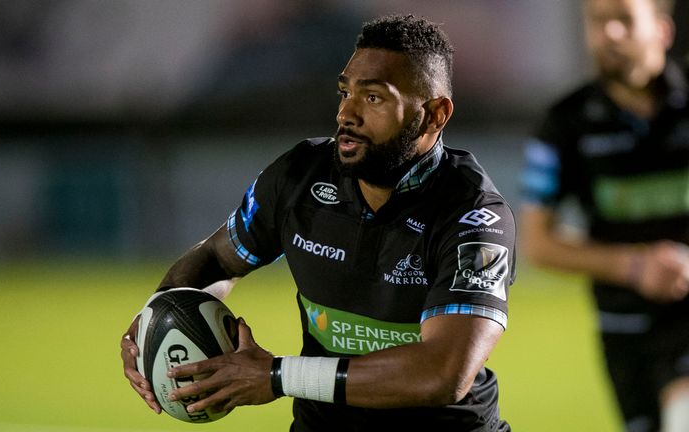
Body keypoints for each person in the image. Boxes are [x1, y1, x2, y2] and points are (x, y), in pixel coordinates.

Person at [122, 14, 516, 432]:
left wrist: (277, 376)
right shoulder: (299, 176)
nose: (347, 113)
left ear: (435, 114)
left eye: (374, 98)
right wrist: (153, 322)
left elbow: (444, 373)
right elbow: (218, 258)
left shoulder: (474, 218)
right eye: (345, 92)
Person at [519, 0, 689, 431]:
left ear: (662, 31)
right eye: (599, 21)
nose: (610, 33)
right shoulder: (564, 124)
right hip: (625, 329)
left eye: (625, 20)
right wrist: (635, 267)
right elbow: (537, 243)